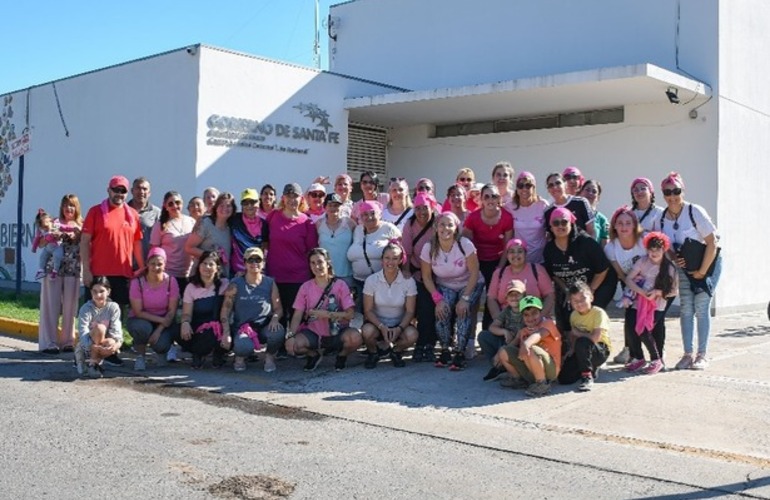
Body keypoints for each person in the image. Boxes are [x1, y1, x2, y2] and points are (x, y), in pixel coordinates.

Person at [658, 172, 721, 370]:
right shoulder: (662, 219)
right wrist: (674, 258)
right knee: (686, 309)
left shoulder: (695, 211)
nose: (672, 195)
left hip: (708, 266)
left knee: (701, 308)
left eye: (676, 191)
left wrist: (702, 271)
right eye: (668, 192)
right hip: (685, 269)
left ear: (683, 191)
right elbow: (666, 245)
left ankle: (702, 355)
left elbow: (712, 242)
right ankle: (687, 354)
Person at [81, 175, 144, 366]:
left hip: (122, 274)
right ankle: (88, 353)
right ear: (108, 190)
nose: (119, 194)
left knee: (115, 319)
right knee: (94, 318)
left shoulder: (132, 214)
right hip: (99, 274)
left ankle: (111, 353)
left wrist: (141, 267)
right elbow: (84, 242)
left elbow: (136, 243)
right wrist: (86, 270)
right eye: (116, 190)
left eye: (123, 191)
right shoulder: (95, 212)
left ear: (127, 193)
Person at [421, 211, 485, 370]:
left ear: (456, 228)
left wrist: (465, 298)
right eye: (442, 224)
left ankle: (460, 352)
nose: (445, 228)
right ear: (436, 227)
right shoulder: (429, 247)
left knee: (463, 311)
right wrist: (437, 299)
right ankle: (444, 349)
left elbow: (475, 272)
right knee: (442, 310)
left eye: (450, 224)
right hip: (445, 285)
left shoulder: (465, 245)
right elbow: (427, 277)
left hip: (469, 282)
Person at [286, 248, 361, 371]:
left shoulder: (340, 285)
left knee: (355, 338)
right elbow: (297, 315)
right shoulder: (305, 287)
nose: (317, 266)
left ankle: (342, 355)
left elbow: (350, 314)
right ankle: (314, 355)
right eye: (313, 263)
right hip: (314, 334)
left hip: (338, 332)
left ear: (328, 263)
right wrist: (291, 336)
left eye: (320, 262)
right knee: (294, 346)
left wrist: (326, 314)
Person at [480, 239, 554, 363]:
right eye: (511, 252)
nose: (516, 255)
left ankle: (507, 362)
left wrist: (540, 317)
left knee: (520, 345)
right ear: (507, 254)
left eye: (520, 251)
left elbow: (550, 295)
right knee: (484, 337)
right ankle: (502, 363)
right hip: (508, 323)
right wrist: (500, 319)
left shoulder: (537, 270)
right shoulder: (499, 273)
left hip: (532, 322)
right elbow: (491, 298)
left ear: (526, 254)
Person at [542, 208, 609, 334]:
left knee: (590, 318)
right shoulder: (549, 249)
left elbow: (603, 268)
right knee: (565, 321)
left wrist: (590, 290)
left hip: (595, 285)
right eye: (556, 223)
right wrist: (566, 290)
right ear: (550, 227)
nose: (560, 226)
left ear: (571, 224)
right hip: (568, 289)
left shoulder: (586, 242)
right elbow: (552, 274)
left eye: (564, 222)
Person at [220, 247, 285, 372]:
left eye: (258, 259)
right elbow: (225, 309)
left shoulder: (270, 283)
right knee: (243, 347)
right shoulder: (235, 284)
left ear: (263, 263)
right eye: (250, 260)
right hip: (243, 328)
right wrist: (226, 332)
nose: (254, 263)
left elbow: (278, 308)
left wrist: (275, 319)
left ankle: (269, 356)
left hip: (264, 326)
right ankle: (240, 356)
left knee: (278, 332)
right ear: (244, 263)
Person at [623, 232, 679, 375]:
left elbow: (673, 291)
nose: (653, 253)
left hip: (657, 305)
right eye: (651, 249)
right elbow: (628, 279)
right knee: (630, 327)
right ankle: (638, 357)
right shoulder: (642, 261)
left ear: (664, 249)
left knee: (644, 330)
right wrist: (641, 292)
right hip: (639, 301)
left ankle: (656, 359)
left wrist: (657, 293)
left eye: (657, 250)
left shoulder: (670, 268)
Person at [265, 183, 319, 326]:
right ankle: (280, 345)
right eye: (288, 196)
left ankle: (296, 345)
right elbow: (265, 242)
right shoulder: (273, 217)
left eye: (295, 196)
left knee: (298, 318)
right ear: (283, 198)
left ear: (301, 199)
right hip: (275, 277)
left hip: (298, 278)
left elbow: (311, 251)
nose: (292, 200)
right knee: (278, 318)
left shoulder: (307, 222)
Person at [462, 183, 513, 328]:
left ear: (499, 199)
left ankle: (488, 330)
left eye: (494, 196)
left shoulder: (507, 217)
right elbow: (465, 243)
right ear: (482, 200)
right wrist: (473, 267)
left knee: (493, 297)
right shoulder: (473, 218)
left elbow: (507, 246)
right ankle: (468, 338)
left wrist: (500, 269)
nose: (491, 199)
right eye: (487, 196)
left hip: (498, 260)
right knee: (473, 298)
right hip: (476, 261)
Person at [361, 241, 419, 369]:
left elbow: (410, 311)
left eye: (395, 258)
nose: (390, 262)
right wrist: (381, 326)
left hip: (399, 324)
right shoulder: (371, 280)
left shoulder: (408, 282)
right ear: (382, 259)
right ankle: (373, 353)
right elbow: (368, 310)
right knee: (366, 331)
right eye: (387, 258)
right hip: (377, 324)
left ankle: (396, 352)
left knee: (412, 335)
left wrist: (399, 328)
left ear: (400, 261)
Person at [38, 194, 82, 354]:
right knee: (51, 305)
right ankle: (49, 342)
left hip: (73, 269)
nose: (68, 208)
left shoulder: (81, 225)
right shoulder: (54, 223)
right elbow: (41, 242)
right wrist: (51, 236)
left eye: (72, 205)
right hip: (53, 269)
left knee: (70, 306)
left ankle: (68, 341)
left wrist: (77, 235)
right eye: (65, 205)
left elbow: (86, 244)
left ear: (77, 208)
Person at [603, 206, 646, 365]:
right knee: (630, 318)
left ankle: (657, 354)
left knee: (650, 319)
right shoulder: (611, 247)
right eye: (620, 223)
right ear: (614, 225)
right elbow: (620, 273)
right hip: (629, 282)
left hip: (650, 282)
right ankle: (633, 353)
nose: (624, 226)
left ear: (634, 225)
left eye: (628, 223)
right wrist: (633, 289)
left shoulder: (643, 241)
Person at [126, 247, 179, 371]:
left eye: (159, 264)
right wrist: (161, 320)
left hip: (164, 320)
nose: (156, 267)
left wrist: (159, 330)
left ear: (165, 265)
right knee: (141, 328)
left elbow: (172, 310)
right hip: (141, 318)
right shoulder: (137, 282)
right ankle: (140, 356)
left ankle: (162, 351)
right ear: (147, 264)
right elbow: (138, 311)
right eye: (153, 264)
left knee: (161, 344)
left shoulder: (171, 281)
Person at [497, 295, 562, 397]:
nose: (530, 318)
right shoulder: (523, 331)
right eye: (526, 315)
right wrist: (499, 355)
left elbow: (539, 335)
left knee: (530, 348)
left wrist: (526, 344)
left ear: (541, 312)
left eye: (534, 313)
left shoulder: (548, 324)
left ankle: (542, 384)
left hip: (550, 370)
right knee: (504, 351)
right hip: (530, 369)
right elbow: (512, 344)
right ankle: (518, 379)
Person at [401, 192, 438, 362]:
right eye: (418, 208)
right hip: (418, 272)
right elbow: (406, 251)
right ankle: (422, 343)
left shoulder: (438, 223)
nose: (422, 212)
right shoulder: (409, 224)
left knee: (433, 307)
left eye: (425, 207)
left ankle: (430, 343)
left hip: (439, 273)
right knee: (423, 306)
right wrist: (407, 272)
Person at [176, 250, 229, 369]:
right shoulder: (191, 287)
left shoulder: (225, 284)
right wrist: (185, 323)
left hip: (219, 327)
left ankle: (218, 353)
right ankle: (197, 353)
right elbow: (186, 313)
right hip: (198, 326)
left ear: (217, 268)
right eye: (204, 263)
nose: (207, 267)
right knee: (175, 330)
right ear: (199, 265)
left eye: (211, 264)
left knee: (214, 334)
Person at [558, 282, 611, 392]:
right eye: (575, 301)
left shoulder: (598, 313)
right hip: (582, 350)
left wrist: (579, 334)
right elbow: (573, 336)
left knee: (583, 341)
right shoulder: (574, 315)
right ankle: (588, 368)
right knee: (564, 379)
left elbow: (595, 338)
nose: (580, 303)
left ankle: (587, 377)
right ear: (571, 302)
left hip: (600, 350)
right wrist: (572, 349)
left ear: (591, 297)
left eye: (583, 299)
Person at [347, 200, 401, 308]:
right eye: (365, 214)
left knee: (378, 316)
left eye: (373, 213)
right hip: (358, 284)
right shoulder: (358, 230)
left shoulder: (389, 228)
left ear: (380, 214)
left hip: (381, 285)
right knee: (360, 318)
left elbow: (402, 252)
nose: (369, 217)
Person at [479, 280, 526, 382]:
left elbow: (519, 336)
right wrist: (504, 332)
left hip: (520, 344)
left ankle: (512, 369)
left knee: (508, 347)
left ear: (524, 295)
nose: (514, 297)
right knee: (483, 336)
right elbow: (493, 327)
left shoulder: (526, 311)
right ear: (506, 298)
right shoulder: (507, 310)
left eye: (517, 294)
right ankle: (498, 367)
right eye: (511, 295)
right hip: (507, 340)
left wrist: (501, 352)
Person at [76, 277, 123, 378]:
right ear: (91, 292)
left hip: (104, 343)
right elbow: (82, 331)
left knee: (111, 342)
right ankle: (92, 363)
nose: (98, 295)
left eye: (102, 291)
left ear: (108, 292)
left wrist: (116, 344)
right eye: (95, 291)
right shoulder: (85, 308)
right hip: (88, 343)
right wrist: (92, 347)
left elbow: (116, 329)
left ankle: (92, 362)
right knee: (100, 328)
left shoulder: (113, 307)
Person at [150, 191, 195, 291]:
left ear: (182, 203)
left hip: (189, 273)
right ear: (165, 206)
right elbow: (154, 250)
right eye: (170, 204)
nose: (175, 206)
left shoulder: (191, 221)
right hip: (169, 274)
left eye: (177, 202)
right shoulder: (160, 225)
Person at [185, 192, 236, 278]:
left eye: (228, 205)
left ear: (233, 209)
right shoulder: (205, 224)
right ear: (215, 208)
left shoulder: (231, 228)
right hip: (201, 279)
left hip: (222, 280)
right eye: (221, 205)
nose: (225, 208)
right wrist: (209, 255)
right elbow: (188, 248)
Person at [506, 171, 549, 263]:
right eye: (520, 186)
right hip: (517, 260)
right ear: (516, 189)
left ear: (534, 188)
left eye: (528, 185)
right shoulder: (509, 207)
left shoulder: (543, 205)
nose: (524, 189)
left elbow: (550, 230)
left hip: (540, 259)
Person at [316, 193, 355, 289]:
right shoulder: (319, 224)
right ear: (325, 207)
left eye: (336, 205)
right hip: (325, 275)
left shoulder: (350, 224)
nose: (333, 208)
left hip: (346, 274)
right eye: (330, 205)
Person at [230, 188, 269, 276]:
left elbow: (265, 249)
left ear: (259, 203)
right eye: (245, 203)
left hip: (256, 272)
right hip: (237, 273)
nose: (249, 206)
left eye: (252, 202)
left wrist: (261, 270)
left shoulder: (265, 224)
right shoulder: (234, 219)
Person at [544, 172, 596, 239]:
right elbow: (550, 237)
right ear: (548, 190)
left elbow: (591, 231)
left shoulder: (581, 202)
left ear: (565, 184)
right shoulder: (548, 212)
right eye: (551, 185)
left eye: (558, 183)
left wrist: (590, 247)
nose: (555, 187)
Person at [127, 177, 161, 261]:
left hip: (148, 264)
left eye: (144, 189)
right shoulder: (123, 210)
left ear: (149, 193)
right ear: (132, 191)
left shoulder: (156, 213)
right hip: (125, 264)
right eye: (138, 188)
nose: (141, 192)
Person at [32, 209, 64, 280]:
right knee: (42, 256)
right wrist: (34, 248)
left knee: (57, 256)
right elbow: (37, 239)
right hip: (47, 248)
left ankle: (55, 271)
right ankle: (41, 270)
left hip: (56, 247)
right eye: (43, 227)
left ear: (50, 221)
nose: (45, 229)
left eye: (46, 227)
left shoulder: (55, 226)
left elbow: (63, 229)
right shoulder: (41, 230)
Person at [580, 179, 609, 247]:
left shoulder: (602, 220)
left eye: (594, 191)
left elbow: (604, 246)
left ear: (598, 198)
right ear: (581, 193)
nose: (590, 193)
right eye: (587, 190)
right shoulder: (573, 213)